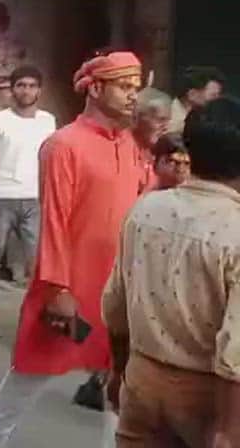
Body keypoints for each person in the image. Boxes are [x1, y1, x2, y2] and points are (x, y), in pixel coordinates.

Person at [0, 52, 146, 448]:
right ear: (96, 88)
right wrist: (57, 288)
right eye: (124, 87)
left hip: (116, 291)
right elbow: (54, 220)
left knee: (119, 381)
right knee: (33, 370)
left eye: (136, 88)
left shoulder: (132, 146)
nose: (132, 96)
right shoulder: (64, 144)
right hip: (69, 287)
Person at [103, 96, 240, 446]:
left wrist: (118, 373)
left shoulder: (146, 209)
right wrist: (228, 430)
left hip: (142, 380)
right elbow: (235, 353)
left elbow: (115, 305)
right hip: (209, 398)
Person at [0, 65, 57, 339]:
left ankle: (38, 319)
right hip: (1, 198)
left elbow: (51, 163)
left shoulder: (48, 121)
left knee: (38, 262)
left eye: (32, 86)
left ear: (39, 91)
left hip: (34, 199)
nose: (26, 91)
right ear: (12, 89)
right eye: (21, 85)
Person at [169, 66, 225, 134]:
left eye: (218, 95)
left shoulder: (201, 118)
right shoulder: (168, 120)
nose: (217, 99)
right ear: (192, 94)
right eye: (212, 95)